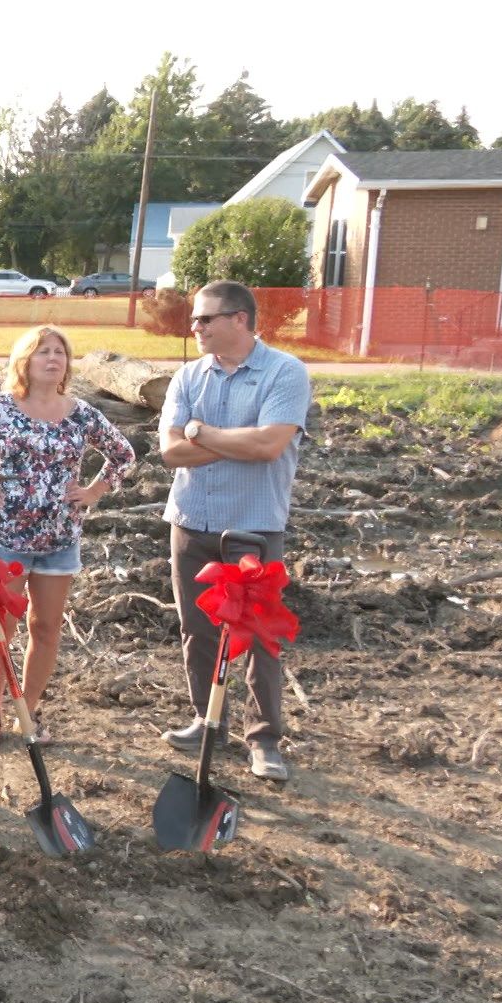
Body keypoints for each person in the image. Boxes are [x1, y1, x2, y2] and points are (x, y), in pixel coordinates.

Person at [0, 325, 135, 747]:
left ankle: (29, 710)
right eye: (43, 351)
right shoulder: (0, 408)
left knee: (45, 629)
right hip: (5, 538)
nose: (53, 358)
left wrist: (95, 490)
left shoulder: (79, 412)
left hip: (60, 540)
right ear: (25, 360)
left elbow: (123, 455)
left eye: (60, 351)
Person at [158, 282, 312, 782]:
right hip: (192, 522)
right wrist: (232, 442)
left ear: (240, 319)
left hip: (254, 527)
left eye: (205, 320)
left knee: (259, 638)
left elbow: (270, 444)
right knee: (197, 632)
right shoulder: (187, 376)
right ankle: (208, 721)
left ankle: (265, 739)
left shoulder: (284, 372)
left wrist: (202, 432)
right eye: (195, 320)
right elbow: (171, 452)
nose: (194, 327)